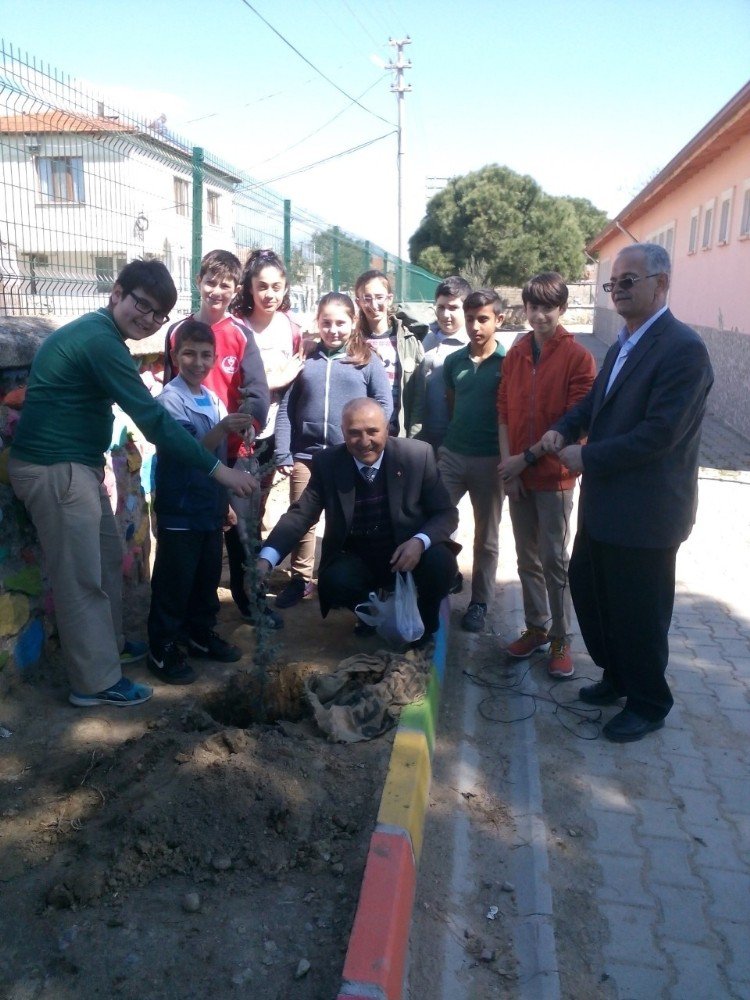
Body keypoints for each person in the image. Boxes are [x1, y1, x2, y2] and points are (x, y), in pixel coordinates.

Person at [9, 260, 258, 708]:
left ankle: (107, 650)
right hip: (55, 468)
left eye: (157, 314)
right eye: (141, 305)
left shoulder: (103, 336)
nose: (146, 318)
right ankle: (94, 683)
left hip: (77, 467)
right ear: (116, 294)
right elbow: (156, 422)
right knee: (82, 578)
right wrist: (220, 472)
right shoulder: (100, 342)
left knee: (105, 561)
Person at [541, 243, 714, 742]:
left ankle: (649, 701)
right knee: (593, 592)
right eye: (612, 282)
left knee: (639, 611)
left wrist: (586, 457)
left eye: (628, 281)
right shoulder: (623, 343)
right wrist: (563, 429)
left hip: (647, 511)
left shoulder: (683, 350)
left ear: (662, 284)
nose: (617, 290)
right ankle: (617, 677)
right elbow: (593, 405)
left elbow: (661, 434)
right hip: (606, 505)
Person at [257, 398, 459, 645]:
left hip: (407, 552)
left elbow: (446, 513)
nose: (365, 442)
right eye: (354, 433)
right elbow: (300, 515)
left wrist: (420, 541)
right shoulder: (328, 463)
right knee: (334, 581)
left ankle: (426, 622)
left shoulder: (417, 456)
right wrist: (266, 560)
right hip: (359, 556)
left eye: (373, 431)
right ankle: (369, 613)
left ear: (388, 429)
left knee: (441, 563)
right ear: (342, 433)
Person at [163, 249, 273, 625]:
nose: (217, 290)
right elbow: (168, 389)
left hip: (233, 453)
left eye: (225, 284)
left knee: (244, 536)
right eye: (210, 282)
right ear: (198, 282)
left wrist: (246, 429)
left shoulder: (242, 334)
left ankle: (252, 605)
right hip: (192, 452)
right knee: (199, 538)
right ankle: (197, 619)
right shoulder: (176, 332)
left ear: (235, 288)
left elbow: (258, 391)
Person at [497, 272, 596, 678]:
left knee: (555, 560)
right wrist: (509, 468)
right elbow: (503, 411)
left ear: (562, 310)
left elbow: (576, 425)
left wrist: (526, 458)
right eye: (532, 307)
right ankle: (537, 628)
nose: (538, 316)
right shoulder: (517, 351)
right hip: (519, 476)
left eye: (547, 308)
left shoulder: (579, 358)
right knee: (526, 559)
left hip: (555, 479)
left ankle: (561, 638)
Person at [148, 320, 254, 685]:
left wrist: (223, 502)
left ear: (215, 357)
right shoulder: (169, 400)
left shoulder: (212, 398)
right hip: (180, 507)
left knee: (206, 576)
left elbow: (219, 461)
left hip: (208, 508)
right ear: (176, 357)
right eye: (189, 353)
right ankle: (161, 648)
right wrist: (223, 429)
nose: (197, 361)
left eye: (205, 354)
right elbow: (187, 453)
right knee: (174, 581)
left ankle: (199, 634)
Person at [271, 292, 392, 609]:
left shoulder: (367, 362)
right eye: (327, 323)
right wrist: (284, 452)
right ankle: (299, 580)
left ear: (353, 323)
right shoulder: (306, 362)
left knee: (351, 522)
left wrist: (366, 448)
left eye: (341, 322)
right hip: (307, 456)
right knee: (302, 519)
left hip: (349, 457)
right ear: (317, 323)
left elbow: (383, 407)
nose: (333, 329)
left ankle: (351, 581)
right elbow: (287, 409)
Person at [438, 289, 506, 633]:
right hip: (452, 454)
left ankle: (479, 602)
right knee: (436, 521)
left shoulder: (508, 365)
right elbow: (453, 404)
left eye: (483, 319)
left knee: (487, 537)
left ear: (499, 320)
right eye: (470, 319)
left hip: (491, 461)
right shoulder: (454, 363)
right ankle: (444, 577)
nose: (475, 326)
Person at [231, 247, 304, 519]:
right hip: (241, 430)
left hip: (276, 427)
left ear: (285, 289)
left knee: (262, 492)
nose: (269, 294)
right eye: (261, 287)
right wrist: (276, 379)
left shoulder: (291, 329)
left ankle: (256, 547)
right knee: (241, 498)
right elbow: (234, 380)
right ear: (249, 288)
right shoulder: (238, 327)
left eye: (276, 287)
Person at [354, 269, 424, 438]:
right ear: (358, 302)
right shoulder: (352, 341)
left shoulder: (409, 341)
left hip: (397, 433)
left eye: (379, 297)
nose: (374, 304)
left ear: (389, 298)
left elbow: (418, 397)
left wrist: (413, 437)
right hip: (362, 434)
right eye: (367, 298)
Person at [415, 275, 473, 452]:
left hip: (454, 441)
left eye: (453, 308)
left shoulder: (472, 345)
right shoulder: (424, 337)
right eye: (441, 307)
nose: (446, 314)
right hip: (420, 435)